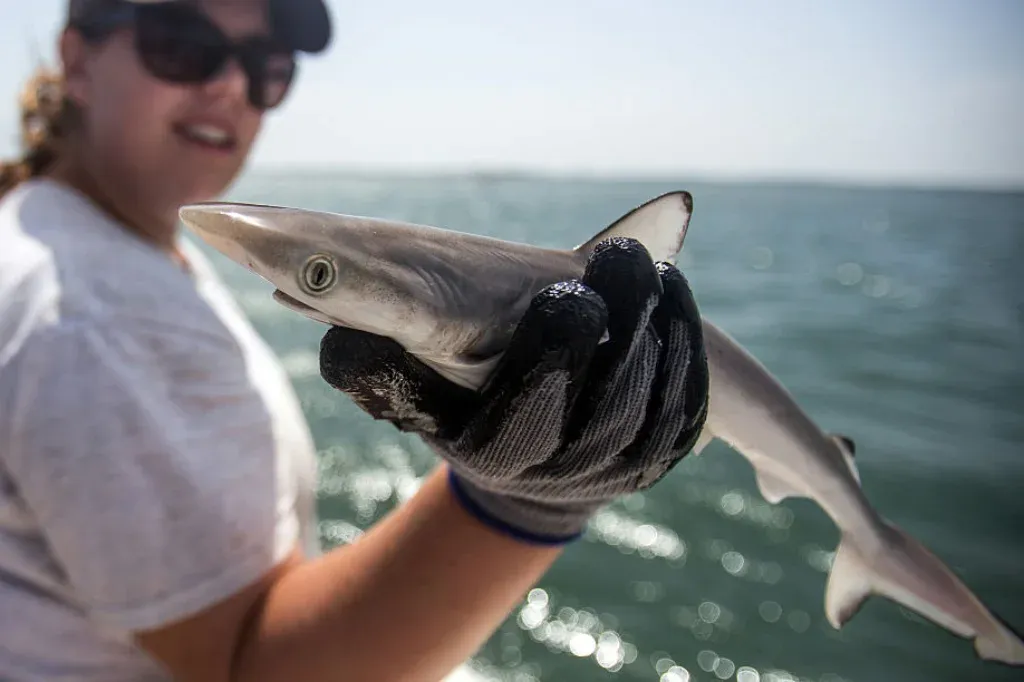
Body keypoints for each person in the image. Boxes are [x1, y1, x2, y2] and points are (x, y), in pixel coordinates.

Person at [0, 1, 710, 681]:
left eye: (264, 64)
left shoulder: (69, 237)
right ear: (77, 61)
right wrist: (529, 501)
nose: (229, 86)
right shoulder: (96, 314)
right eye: (181, 44)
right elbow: (249, 671)